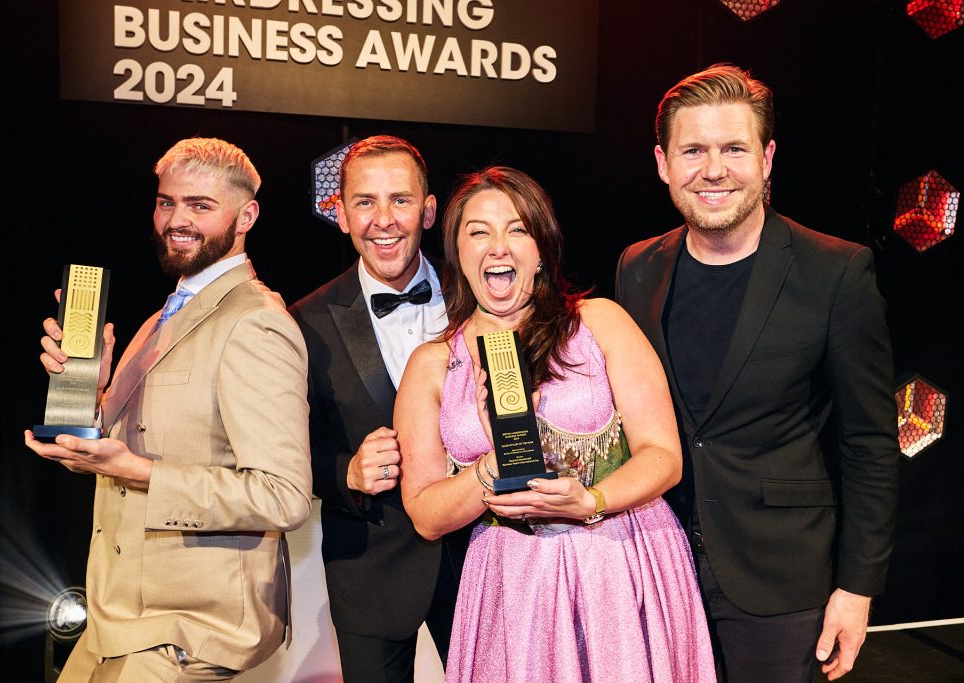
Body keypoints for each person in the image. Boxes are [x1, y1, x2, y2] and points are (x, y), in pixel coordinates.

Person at [615, 64, 900, 682]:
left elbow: (870, 445)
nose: (713, 169)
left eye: (733, 149)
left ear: (767, 158)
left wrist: (857, 589)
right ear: (663, 163)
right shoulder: (637, 268)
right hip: (656, 570)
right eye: (692, 150)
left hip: (782, 581)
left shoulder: (838, 272)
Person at [395, 166, 715, 682]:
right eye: (478, 231)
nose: (498, 246)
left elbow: (663, 454)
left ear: (541, 248)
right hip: (511, 584)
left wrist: (591, 502)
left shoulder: (598, 323)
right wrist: (495, 461)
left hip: (619, 561)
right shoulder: (432, 365)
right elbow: (427, 514)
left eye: (517, 229)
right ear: (456, 252)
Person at [24, 137, 313, 681]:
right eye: (166, 202)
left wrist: (139, 472)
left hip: (189, 630)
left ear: (246, 215)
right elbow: (110, 454)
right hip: (117, 617)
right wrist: (86, 392)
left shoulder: (256, 322)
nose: (177, 220)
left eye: (200, 206)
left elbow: (284, 496)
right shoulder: (161, 318)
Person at [288, 135, 466, 682]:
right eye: (365, 202)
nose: (382, 220)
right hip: (368, 567)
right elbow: (287, 449)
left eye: (401, 200)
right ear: (340, 214)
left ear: (429, 210)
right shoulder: (305, 320)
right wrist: (348, 472)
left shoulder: (477, 298)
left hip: (479, 556)